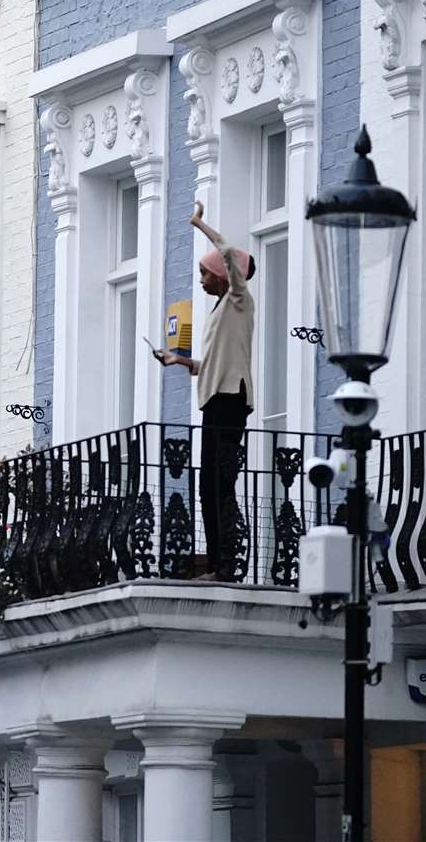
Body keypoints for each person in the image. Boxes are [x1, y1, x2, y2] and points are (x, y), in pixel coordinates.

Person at [156, 201, 256, 581]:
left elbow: (231, 253)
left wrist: (200, 224)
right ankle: (216, 564)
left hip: (231, 399)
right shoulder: (219, 311)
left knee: (221, 484)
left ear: (221, 276)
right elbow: (212, 365)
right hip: (214, 400)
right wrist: (179, 362)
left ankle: (226, 566)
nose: (200, 280)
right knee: (208, 487)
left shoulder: (238, 301)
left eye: (203, 272)